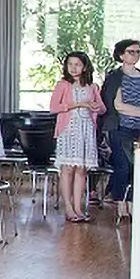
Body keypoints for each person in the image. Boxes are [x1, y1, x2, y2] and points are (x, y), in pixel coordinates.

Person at [100, 39, 140, 217]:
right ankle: (121, 203)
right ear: (121, 55)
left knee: (139, 167)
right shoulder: (115, 77)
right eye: (131, 51)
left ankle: (134, 203)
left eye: (137, 52)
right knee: (123, 166)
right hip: (120, 128)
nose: (135, 55)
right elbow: (118, 105)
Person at [50, 51, 104, 223]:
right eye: (70, 64)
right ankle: (68, 207)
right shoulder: (63, 85)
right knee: (68, 168)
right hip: (69, 129)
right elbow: (54, 107)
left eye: (77, 64)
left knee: (81, 169)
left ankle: (78, 207)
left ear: (85, 67)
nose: (73, 68)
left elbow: (102, 109)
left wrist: (94, 106)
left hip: (86, 129)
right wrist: (78, 104)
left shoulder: (92, 87)